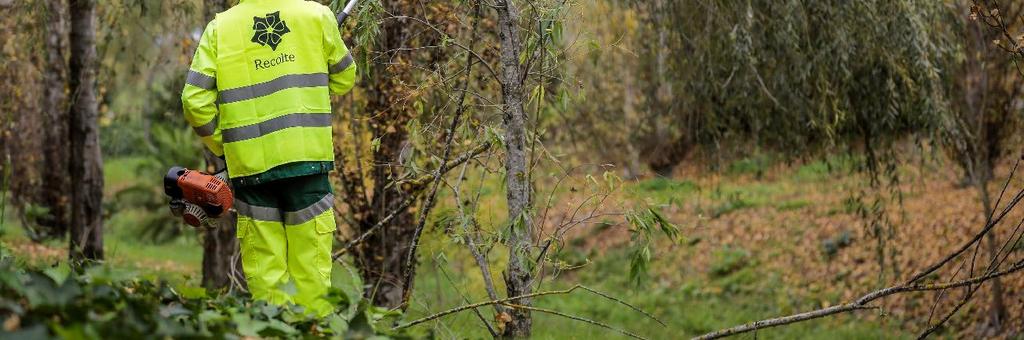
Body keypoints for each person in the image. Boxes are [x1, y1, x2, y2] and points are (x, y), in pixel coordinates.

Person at [181, 0, 356, 317]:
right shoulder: (316, 16)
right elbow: (345, 79)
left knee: (267, 281)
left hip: (251, 171)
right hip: (307, 165)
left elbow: (194, 101)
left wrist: (226, 147)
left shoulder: (220, 29)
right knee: (312, 276)